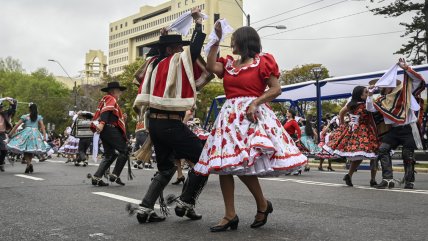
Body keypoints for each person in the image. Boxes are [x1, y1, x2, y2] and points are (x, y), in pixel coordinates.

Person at [193, 24, 307, 232]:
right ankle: (230, 215)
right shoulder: (228, 64)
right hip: (229, 119)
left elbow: (276, 89)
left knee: (242, 164)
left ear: (244, 41)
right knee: (223, 166)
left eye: (234, 39)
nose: (231, 43)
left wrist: (255, 103)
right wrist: (216, 39)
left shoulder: (263, 62)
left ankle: (262, 204)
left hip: (252, 118)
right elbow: (210, 67)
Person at [130, 7, 213, 223]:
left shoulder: (152, 64)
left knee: (166, 168)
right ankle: (186, 203)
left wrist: (164, 39)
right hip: (171, 124)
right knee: (204, 160)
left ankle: (145, 209)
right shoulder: (174, 61)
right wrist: (197, 23)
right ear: (169, 50)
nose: (180, 51)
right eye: (177, 47)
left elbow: (140, 76)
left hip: (155, 125)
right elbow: (193, 49)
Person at [367, 58, 425, 189]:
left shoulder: (404, 94)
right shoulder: (382, 100)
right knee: (383, 150)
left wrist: (406, 68)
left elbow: (418, 81)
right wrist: (370, 95)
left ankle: (409, 181)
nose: (384, 86)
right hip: (394, 130)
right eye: (382, 85)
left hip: (409, 128)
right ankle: (388, 180)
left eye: (387, 84)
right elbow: (370, 108)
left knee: (407, 155)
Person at [324, 86, 379, 187]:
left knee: (359, 156)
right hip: (364, 131)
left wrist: (343, 124)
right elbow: (341, 113)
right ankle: (372, 179)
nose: (367, 94)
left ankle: (350, 175)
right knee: (373, 154)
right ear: (361, 95)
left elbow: (341, 113)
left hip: (355, 130)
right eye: (366, 92)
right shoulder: (365, 104)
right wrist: (342, 124)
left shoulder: (352, 104)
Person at [88, 81, 128, 187]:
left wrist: (122, 118)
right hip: (109, 129)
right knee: (125, 150)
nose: (120, 93)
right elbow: (105, 112)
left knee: (110, 154)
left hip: (106, 130)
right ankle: (114, 175)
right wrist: (101, 123)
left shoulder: (107, 99)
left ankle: (97, 177)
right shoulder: (111, 98)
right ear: (113, 91)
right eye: (119, 91)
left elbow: (109, 114)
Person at [7, 103, 47, 173]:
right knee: (31, 150)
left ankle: (29, 164)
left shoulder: (25, 116)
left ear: (29, 109)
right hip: (35, 134)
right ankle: (29, 164)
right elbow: (42, 127)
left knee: (25, 150)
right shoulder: (38, 117)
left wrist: (10, 133)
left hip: (26, 133)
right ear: (36, 109)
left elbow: (16, 126)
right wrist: (44, 136)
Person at [0, 97, 17, 172]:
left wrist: (9, 101)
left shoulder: (5, 113)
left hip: (2, 134)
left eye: (2, 108)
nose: (1, 109)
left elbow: (13, 109)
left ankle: (1, 163)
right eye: (1, 108)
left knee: (4, 150)